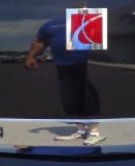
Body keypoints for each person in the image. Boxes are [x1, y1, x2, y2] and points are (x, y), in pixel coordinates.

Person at [24, 17, 105, 145]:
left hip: (83, 64)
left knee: (86, 96)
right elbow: (40, 43)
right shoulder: (50, 25)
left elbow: (98, 38)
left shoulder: (86, 19)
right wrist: (31, 56)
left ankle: (95, 133)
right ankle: (80, 131)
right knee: (69, 98)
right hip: (63, 66)